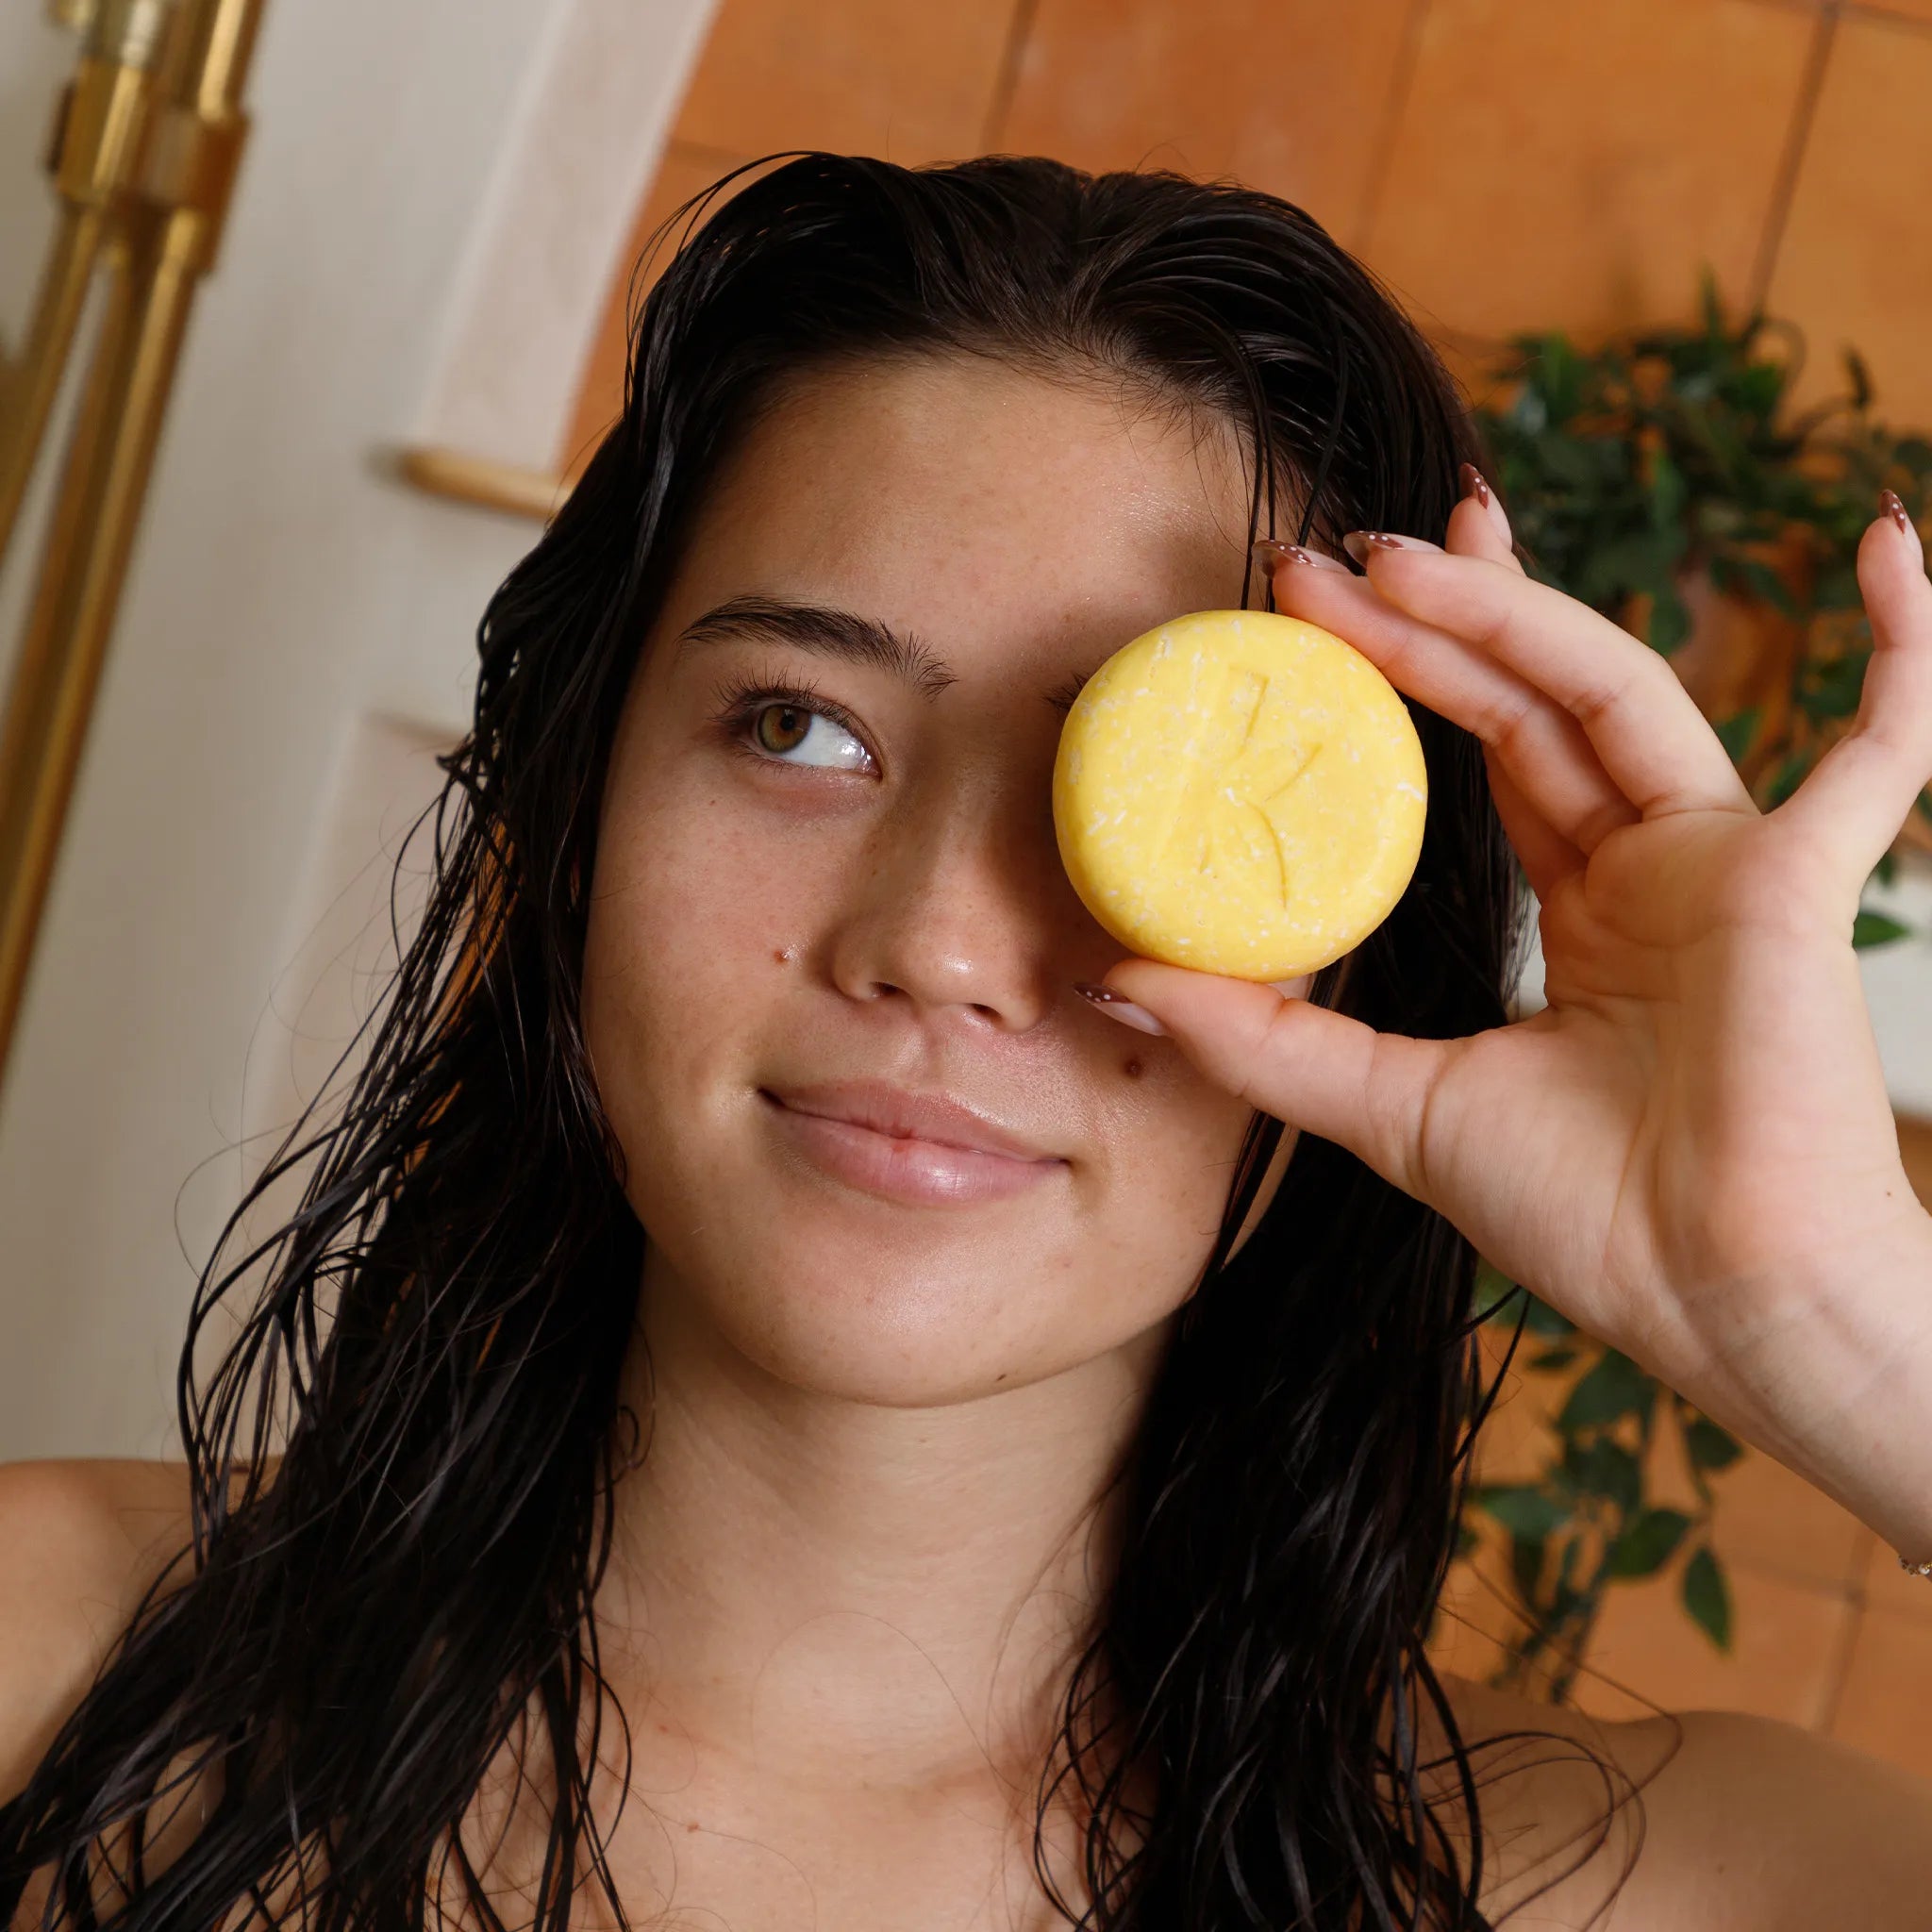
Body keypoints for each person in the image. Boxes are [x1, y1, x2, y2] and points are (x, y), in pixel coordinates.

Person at [3, 150, 1931, 1931]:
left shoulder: (1679, 1891)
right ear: (579, 817)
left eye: (1140, 791)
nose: (940, 940)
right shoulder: (35, 1660)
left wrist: (1840, 1325)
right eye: (798, 729)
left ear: (1349, 958)